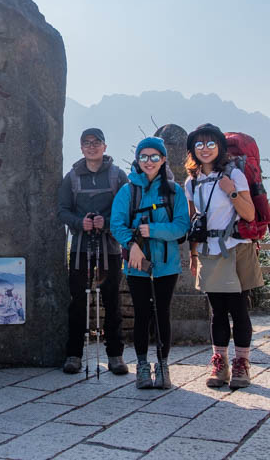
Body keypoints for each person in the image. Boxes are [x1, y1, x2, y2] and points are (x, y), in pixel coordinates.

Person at [184, 123, 264, 390]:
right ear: (192, 150)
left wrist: (230, 190)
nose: (204, 149)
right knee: (217, 311)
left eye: (210, 144)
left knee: (239, 309)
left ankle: (242, 365)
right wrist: (193, 255)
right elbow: (194, 221)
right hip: (209, 251)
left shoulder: (234, 175)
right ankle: (220, 364)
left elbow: (250, 214)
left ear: (219, 146)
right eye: (199, 144)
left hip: (237, 247)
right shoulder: (192, 182)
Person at [110, 137, 189, 388]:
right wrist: (132, 245)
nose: (149, 161)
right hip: (137, 264)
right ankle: (142, 365)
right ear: (137, 159)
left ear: (163, 159)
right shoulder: (128, 191)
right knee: (142, 314)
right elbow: (116, 225)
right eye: (144, 157)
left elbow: (181, 226)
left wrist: (151, 230)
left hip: (167, 264)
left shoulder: (174, 191)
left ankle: (163, 366)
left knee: (162, 313)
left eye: (155, 157)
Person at [58, 128, 129, 376]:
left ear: (105, 146)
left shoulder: (117, 176)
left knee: (112, 301)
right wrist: (80, 223)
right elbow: (62, 210)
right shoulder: (72, 177)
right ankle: (74, 354)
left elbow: (126, 208)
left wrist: (105, 223)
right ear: (81, 148)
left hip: (109, 248)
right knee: (77, 302)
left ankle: (115, 355)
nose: (91, 146)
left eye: (96, 142)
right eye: (86, 143)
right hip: (80, 248)